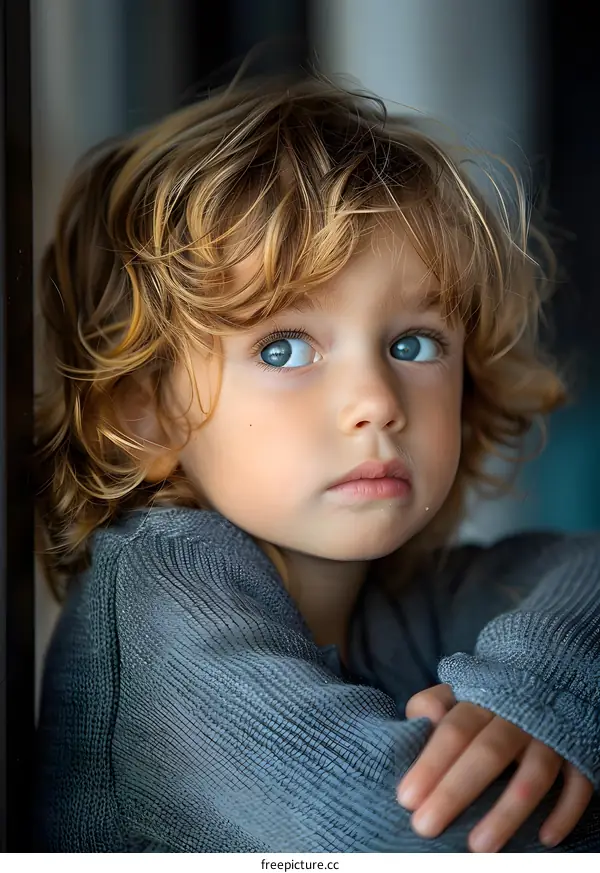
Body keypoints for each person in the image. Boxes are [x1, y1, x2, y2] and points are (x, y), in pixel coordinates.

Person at [34, 74, 600, 853]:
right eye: (284, 347)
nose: (377, 399)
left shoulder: (400, 596)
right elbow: (425, 847)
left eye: (413, 344)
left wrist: (551, 684)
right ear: (148, 412)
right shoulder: (160, 594)